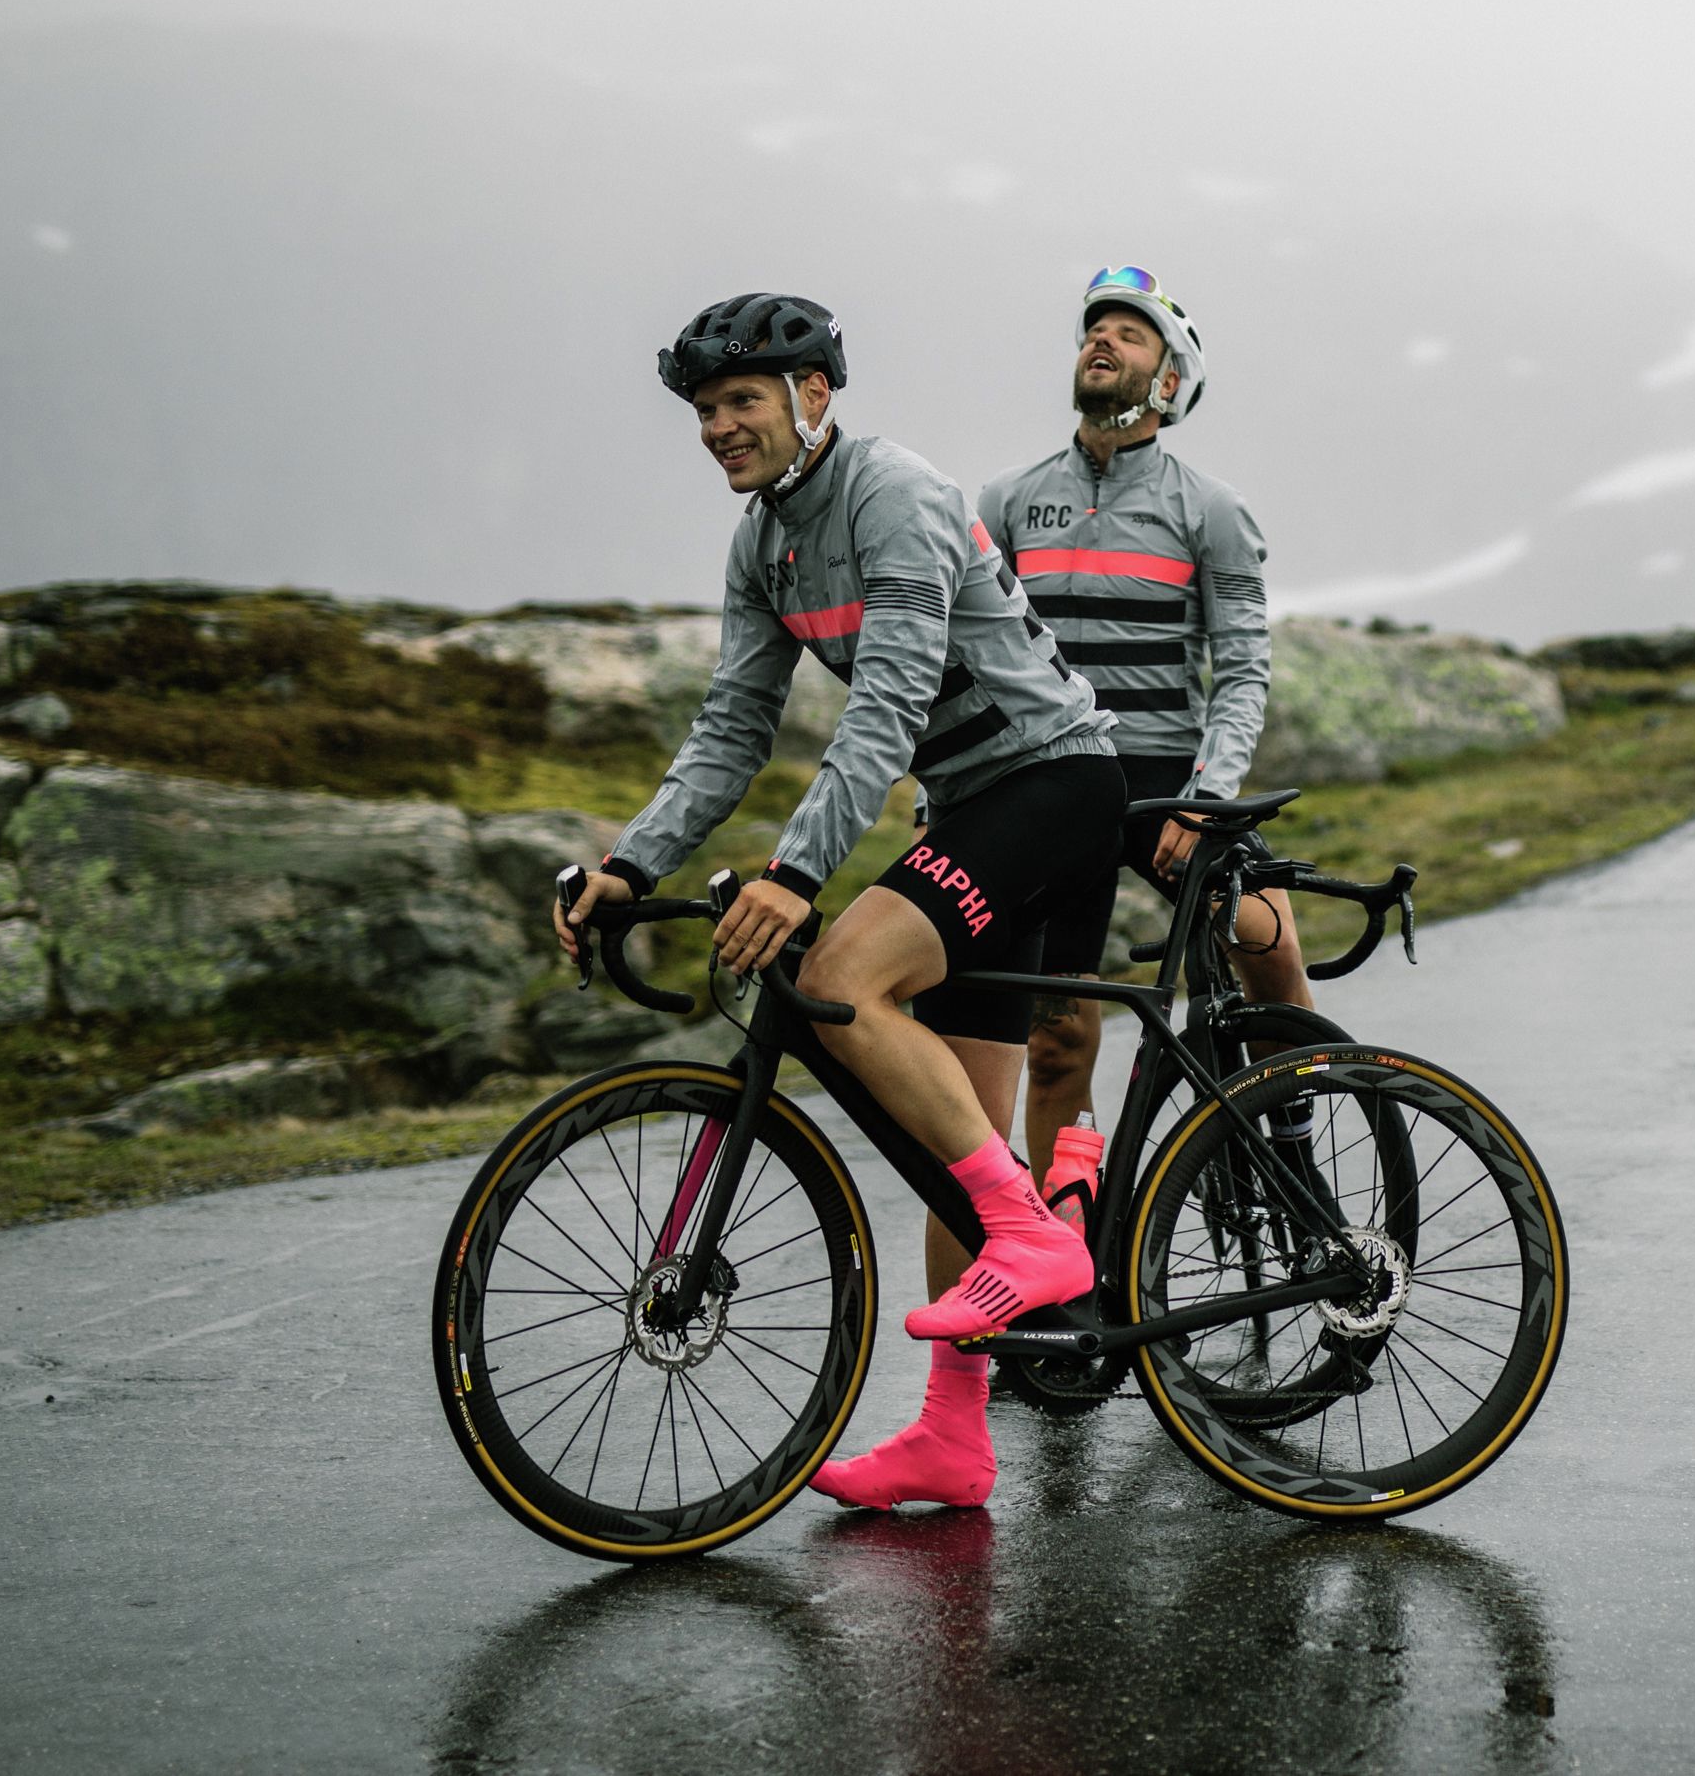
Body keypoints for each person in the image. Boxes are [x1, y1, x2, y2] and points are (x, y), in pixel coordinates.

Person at [550, 291, 1121, 1515]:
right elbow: (731, 726)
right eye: (704, 408)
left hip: (1055, 781)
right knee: (962, 1140)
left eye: (740, 399)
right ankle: (954, 1435)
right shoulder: (763, 542)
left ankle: (1038, 1237)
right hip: (969, 808)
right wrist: (630, 864)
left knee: (836, 975)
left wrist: (796, 873)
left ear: (813, 395)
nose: (717, 425)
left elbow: (890, 703)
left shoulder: (892, 493)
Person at [980, 267, 1309, 1202]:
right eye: (1096, 328)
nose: (1103, 340)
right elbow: (972, 663)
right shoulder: (1007, 501)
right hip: (1052, 783)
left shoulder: (1209, 508)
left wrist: (1208, 799)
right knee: (1057, 1038)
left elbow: (1241, 671)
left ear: (1169, 379)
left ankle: (1296, 1141)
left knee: (1271, 942)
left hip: (1166, 782)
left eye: (1130, 333)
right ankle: (1069, 1241)